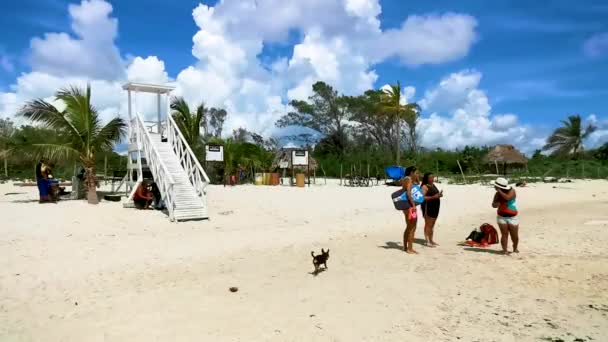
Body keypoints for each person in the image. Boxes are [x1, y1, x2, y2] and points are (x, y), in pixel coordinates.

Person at [492, 177, 519, 254]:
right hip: (501, 216)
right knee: (504, 234)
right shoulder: (497, 194)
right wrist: (495, 204)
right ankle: (505, 250)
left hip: (512, 217)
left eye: (495, 186)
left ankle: (515, 248)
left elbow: (507, 198)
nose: (494, 187)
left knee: (514, 236)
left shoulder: (512, 191)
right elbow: (493, 204)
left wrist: (499, 190)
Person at [401, 166, 423, 254]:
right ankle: (410, 249)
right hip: (410, 206)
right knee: (412, 227)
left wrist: (417, 178)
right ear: (411, 173)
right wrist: (413, 205)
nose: (418, 174)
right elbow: (408, 192)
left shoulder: (405, 179)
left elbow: (417, 183)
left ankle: (405, 247)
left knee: (408, 226)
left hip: (405, 206)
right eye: (416, 173)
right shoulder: (409, 180)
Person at [421, 172, 443, 247]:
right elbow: (422, 198)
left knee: (432, 224)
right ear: (426, 178)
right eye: (430, 177)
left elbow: (434, 195)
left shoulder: (433, 185)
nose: (432, 179)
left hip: (435, 206)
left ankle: (431, 240)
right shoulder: (424, 186)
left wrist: (439, 195)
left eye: (433, 177)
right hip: (428, 206)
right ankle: (427, 241)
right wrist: (434, 197)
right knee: (428, 224)